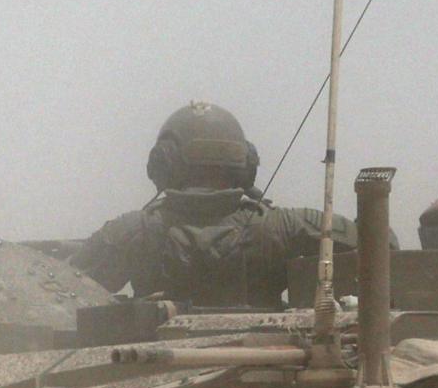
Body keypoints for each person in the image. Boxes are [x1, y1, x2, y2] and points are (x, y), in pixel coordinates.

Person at [75, 102, 354, 309]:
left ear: (163, 163)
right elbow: (381, 245)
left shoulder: (132, 232)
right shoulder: (284, 227)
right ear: (247, 165)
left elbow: (63, 294)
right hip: (266, 369)